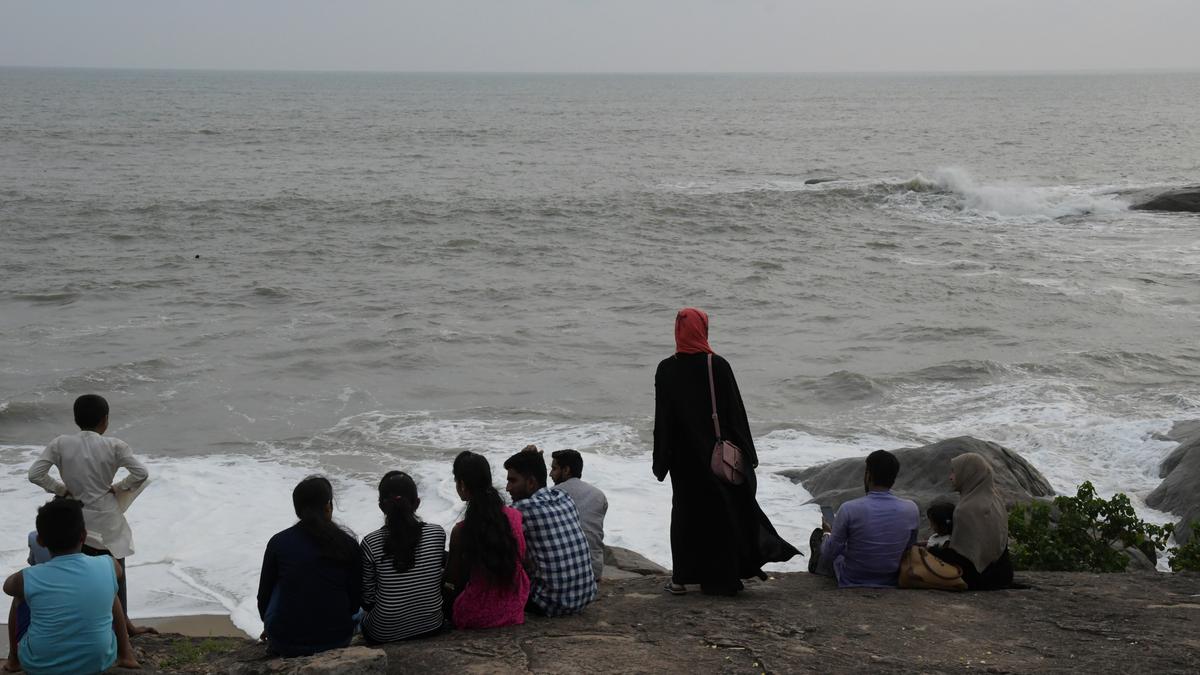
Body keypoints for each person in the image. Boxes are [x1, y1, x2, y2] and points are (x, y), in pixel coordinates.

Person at [653, 307, 799, 596]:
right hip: (716, 456)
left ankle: (681, 578)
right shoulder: (716, 365)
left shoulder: (666, 368)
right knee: (721, 516)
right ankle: (722, 579)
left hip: (683, 461)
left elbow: (663, 420)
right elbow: (735, 413)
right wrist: (749, 456)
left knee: (684, 514)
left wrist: (661, 463)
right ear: (703, 330)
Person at [27, 394, 153, 635]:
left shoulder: (60, 443)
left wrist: (61, 490)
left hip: (76, 519)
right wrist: (118, 487)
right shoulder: (115, 445)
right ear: (105, 420)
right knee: (116, 575)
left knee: (76, 576)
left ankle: (80, 627)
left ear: (76, 419)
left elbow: (35, 474)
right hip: (107, 519)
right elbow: (141, 473)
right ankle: (123, 628)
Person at [3, 498, 139, 674]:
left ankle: (13, 660)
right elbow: (118, 573)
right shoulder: (108, 564)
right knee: (108, 585)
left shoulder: (27, 577)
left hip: (39, 663)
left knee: (19, 595)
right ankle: (126, 654)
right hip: (99, 660)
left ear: (41, 541)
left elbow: (7, 587)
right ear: (83, 535)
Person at [257, 476, 362, 657]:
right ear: (328, 506)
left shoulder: (279, 542)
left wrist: (272, 627)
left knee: (283, 582)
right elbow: (354, 602)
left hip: (286, 642)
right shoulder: (347, 543)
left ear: (298, 510)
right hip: (337, 639)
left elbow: (263, 599)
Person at [504, 449, 597, 615]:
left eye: (512, 481)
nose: (507, 488)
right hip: (586, 595)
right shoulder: (564, 497)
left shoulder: (521, 509)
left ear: (531, 482)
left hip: (548, 603)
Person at [809, 450, 920, 588]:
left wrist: (827, 533)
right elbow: (909, 548)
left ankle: (818, 562)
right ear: (893, 478)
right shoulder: (911, 509)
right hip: (891, 579)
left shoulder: (849, 508)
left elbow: (829, 554)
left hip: (852, 579)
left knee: (824, 542)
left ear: (868, 475)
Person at [444, 451, 530, 629]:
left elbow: (452, 580)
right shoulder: (515, 516)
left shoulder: (461, 531)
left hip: (474, 615)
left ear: (461, 485)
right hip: (514, 608)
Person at [359, 471, 446, 643]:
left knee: (359, 616)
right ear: (417, 503)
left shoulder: (370, 542)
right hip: (431, 625)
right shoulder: (437, 533)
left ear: (381, 506)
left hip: (383, 632)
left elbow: (367, 601)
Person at [929, 453, 1015, 590]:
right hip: (1003, 573)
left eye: (954, 472)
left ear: (968, 474)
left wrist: (931, 551)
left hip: (980, 579)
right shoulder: (996, 500)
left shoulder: (965, 510)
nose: (950, 477)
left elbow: (963, 558)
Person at [549, 448, 608, 582]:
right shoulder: (599, 495)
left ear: (566, 470)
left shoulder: (552, 495)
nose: (550, 474)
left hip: (565, 571)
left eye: (554, 468)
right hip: (594, 570)